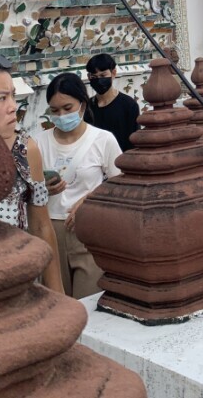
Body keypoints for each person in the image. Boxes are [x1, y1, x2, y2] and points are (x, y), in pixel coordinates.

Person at [0, 56, 63, 293]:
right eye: (1, 98)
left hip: (18, 282)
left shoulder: (26, 149)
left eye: (13, 95)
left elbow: (41, 226)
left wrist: (58, 296)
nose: (13, 106)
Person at [35, 72, 121, 298]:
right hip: (49, 227)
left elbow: (119, 181)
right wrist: (44, 188)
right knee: (56, 300)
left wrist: (89, 199)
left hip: (86, 226)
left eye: (67, 108)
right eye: (54, 111)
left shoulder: (103, 140)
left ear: (82, 105)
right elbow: (28, 188)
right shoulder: (38, 142)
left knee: (89, 299)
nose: (61, 115)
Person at [85, 53, 140, 152]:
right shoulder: (87, 107)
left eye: (103, 75)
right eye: (94, 77)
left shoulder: (128, 105)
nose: (98, 80)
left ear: (113, 73)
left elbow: (134, 142)